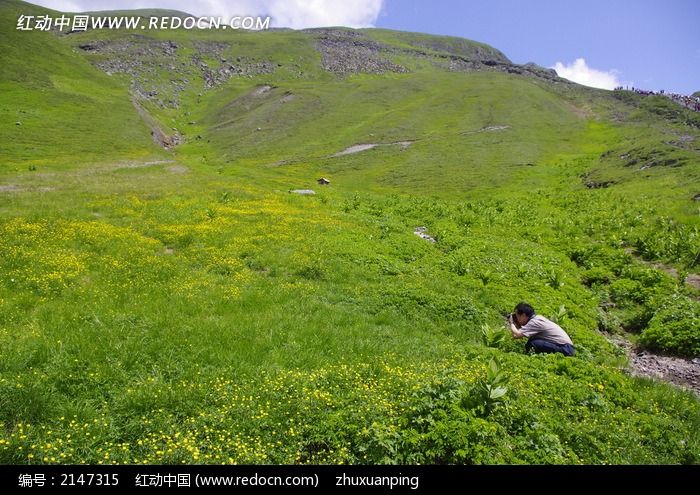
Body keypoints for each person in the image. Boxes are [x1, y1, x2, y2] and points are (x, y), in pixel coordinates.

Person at [507, 302, 575, 356]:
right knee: (532, 340)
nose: (516, 318)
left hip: (566, 349)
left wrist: (512, 323)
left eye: (517, 315)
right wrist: (515, 325)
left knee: (533, 343)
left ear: (524, 315)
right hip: (566, 347)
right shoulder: (537, 318)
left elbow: (518, 334)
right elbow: (515, 336)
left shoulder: (534, 322)